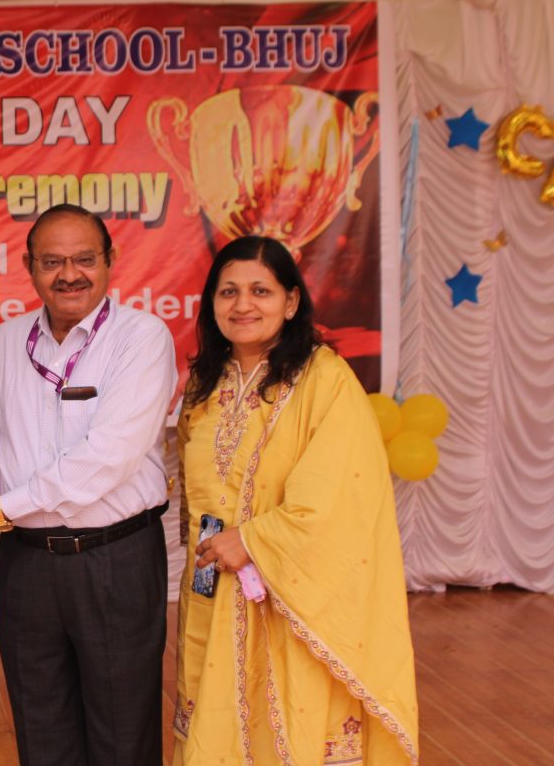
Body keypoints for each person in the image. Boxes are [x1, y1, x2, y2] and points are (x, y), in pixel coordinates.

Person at [0, 204, 177, 765]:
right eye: (52, 262)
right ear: (29, 267)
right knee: (40, 731)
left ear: (110, 260)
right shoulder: (8, 339)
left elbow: (107, 457)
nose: (69, 274)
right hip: (26, 564)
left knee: (122, 735)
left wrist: (1, 509)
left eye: (84, 259)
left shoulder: (141, 337)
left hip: (115, 559)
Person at [174, 235, 419, 765]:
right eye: (228, 292)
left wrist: (252, 540)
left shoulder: (324, 379)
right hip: (213, 593)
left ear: (290, 302)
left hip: (294, 601)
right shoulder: (203, 385)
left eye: (260, 291)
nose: (242, 305)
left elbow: (339, 497)